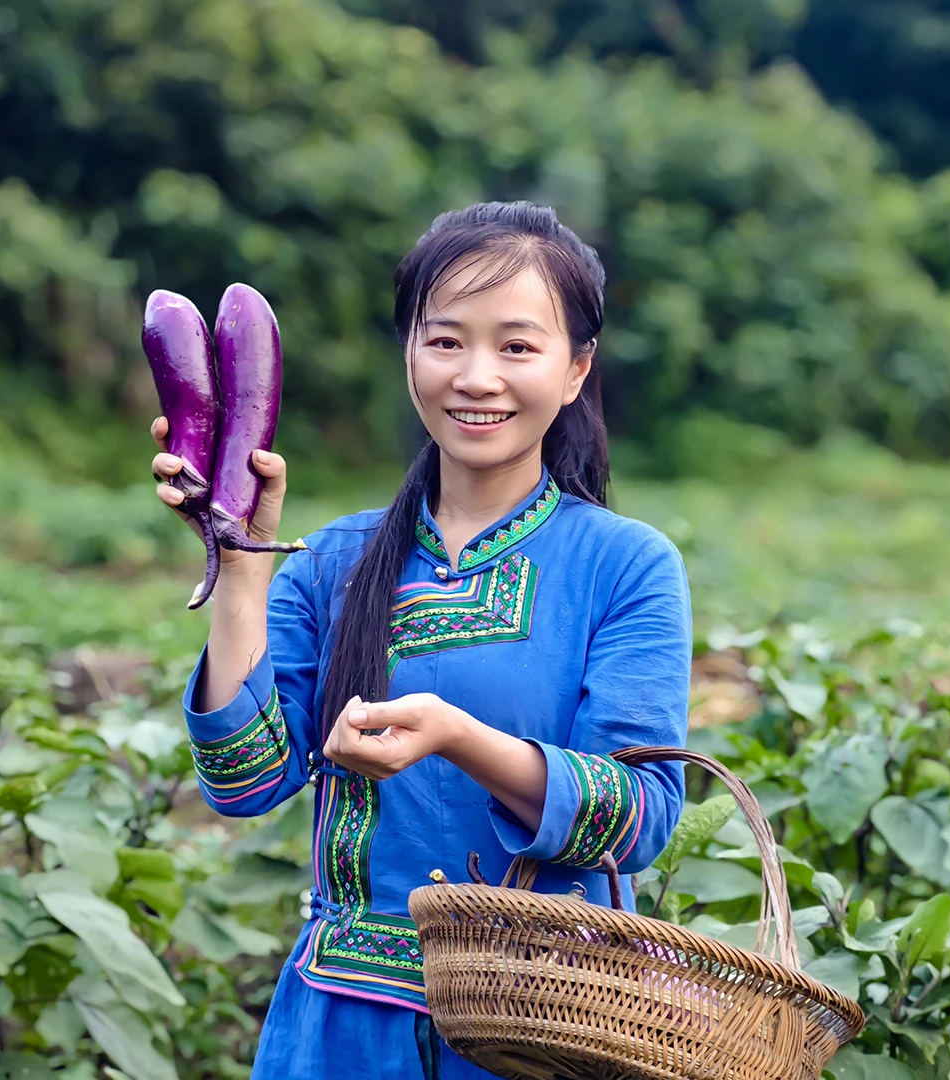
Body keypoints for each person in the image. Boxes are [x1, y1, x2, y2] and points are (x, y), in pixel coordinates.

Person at [150, 201, 692, 1079]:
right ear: (409, 356)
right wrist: (241, 564)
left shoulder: (625, 564)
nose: (477, 376)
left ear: (576, 369)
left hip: (535, 1028)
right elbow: (243, 783)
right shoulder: (332, 559)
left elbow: (636, 820)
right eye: (445, 342)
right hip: (336, 1030)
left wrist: (459, 738)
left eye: (517, 346)